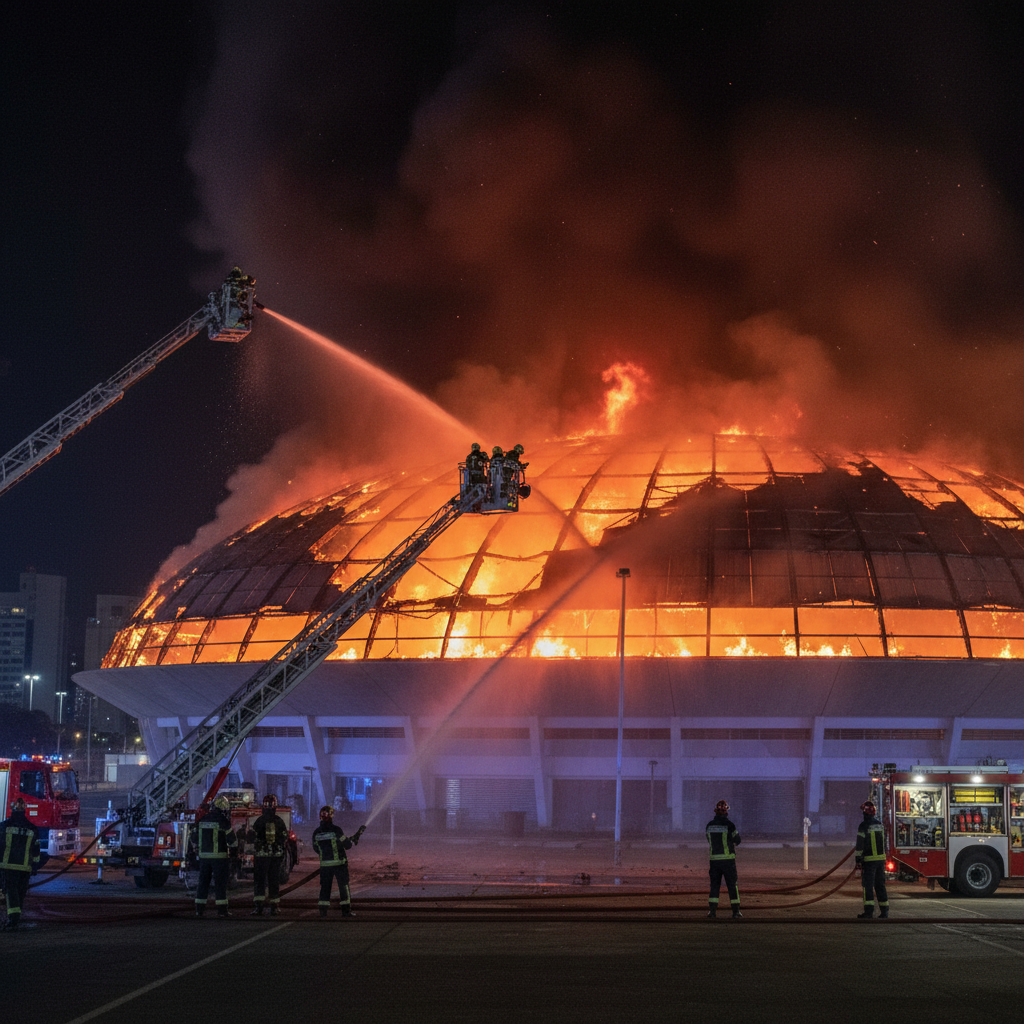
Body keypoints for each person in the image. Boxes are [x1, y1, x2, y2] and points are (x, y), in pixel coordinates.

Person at [312, 805, 365, 918]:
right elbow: (347, 845)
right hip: (339, 864)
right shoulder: (336, 830)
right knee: (343, 886)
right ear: (331, 816)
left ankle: (323, 912)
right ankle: (346, 911)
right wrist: (350, 840)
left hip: (325, 865)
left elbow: (316, 848)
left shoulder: (316, 833)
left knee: (325, 888)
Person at [193, 795, 238, 918]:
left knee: (203, 883)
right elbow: (232, 841)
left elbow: (194, 837)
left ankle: (199, 910)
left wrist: (197, 849)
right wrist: (234, 853)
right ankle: (222, 911)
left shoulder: (203, 820)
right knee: (220, 884)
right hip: (219, 858)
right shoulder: (223, 820)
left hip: (204, 859)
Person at [1, 798, 41, 931]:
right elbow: (36, 850)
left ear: (12, 809)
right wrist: (34, 866)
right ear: (25, 810)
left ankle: (13, 920)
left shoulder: (4, 826)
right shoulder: (32, 828)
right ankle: (16, 918)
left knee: (11, 892)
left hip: (8, 866)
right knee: (20, 893)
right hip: (25, 868)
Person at [251, 795, 288, 916]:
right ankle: (274, 907)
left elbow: (253, 838)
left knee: (260, 881)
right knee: (274, 881)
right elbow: (284, 837)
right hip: (275, 857)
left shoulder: (259, 821)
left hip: (262, 857)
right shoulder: (279, 821)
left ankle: (259, 907)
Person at [706, 799, 742, 919]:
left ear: (716, 811)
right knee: (732, 886)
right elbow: (738, 840)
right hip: (728, 861)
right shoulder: (730, 825)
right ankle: (736, 912)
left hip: (714, 862)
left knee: (714, 886)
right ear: (726, 811)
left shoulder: (709, 825)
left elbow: (709, 840)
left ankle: (712, 912)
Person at [855, 799, 889, 919]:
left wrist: (858, 860)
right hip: (880, 860)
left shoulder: (863, 826)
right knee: (880, 886)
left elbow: (860, 845)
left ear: (865, 813)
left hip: (869, 861)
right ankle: (884, 912)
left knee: (868, 886)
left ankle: (868, 912)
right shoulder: (879, 824)